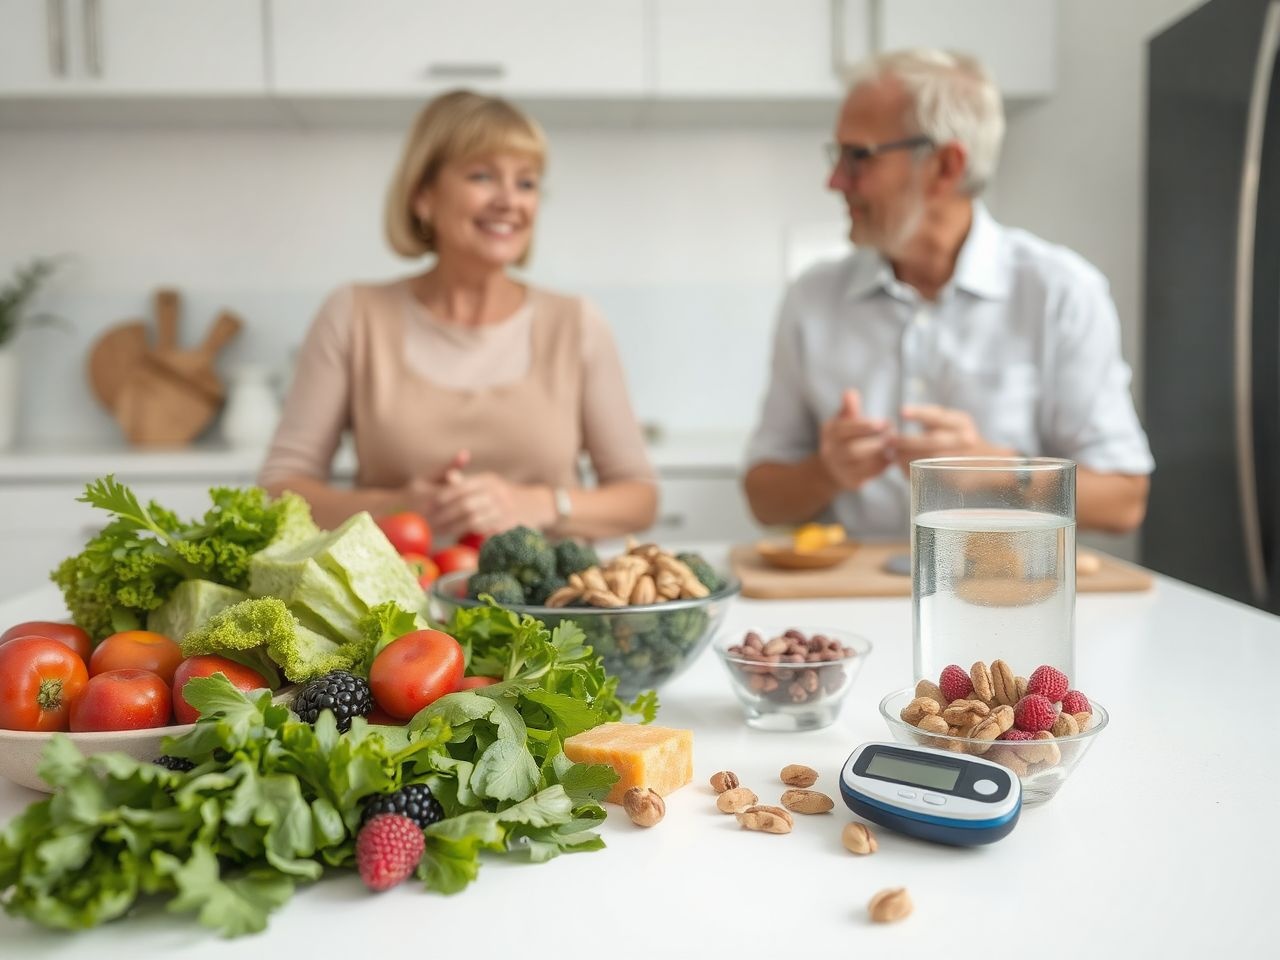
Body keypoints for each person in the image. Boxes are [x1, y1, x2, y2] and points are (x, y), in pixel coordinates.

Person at [744, 49, 1154, 538]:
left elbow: (1124, 502)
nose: (835, 182)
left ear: (944, 165)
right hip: (845, 598)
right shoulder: (811, 299)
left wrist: (1002, 475)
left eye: (858, 157)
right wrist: (826, 471)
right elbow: (763, 500)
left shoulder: (1060, 292)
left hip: (1004, 599)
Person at [259, 91, 658, 540]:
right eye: (483, 176)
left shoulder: (577, 323)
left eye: (526, 183)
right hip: (397, 597)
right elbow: (279, 490)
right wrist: (398, 507)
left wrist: (541, 503)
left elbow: (639, 497)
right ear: (423, 196)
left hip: (550, 605)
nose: (510, 201)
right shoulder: (353, 316)